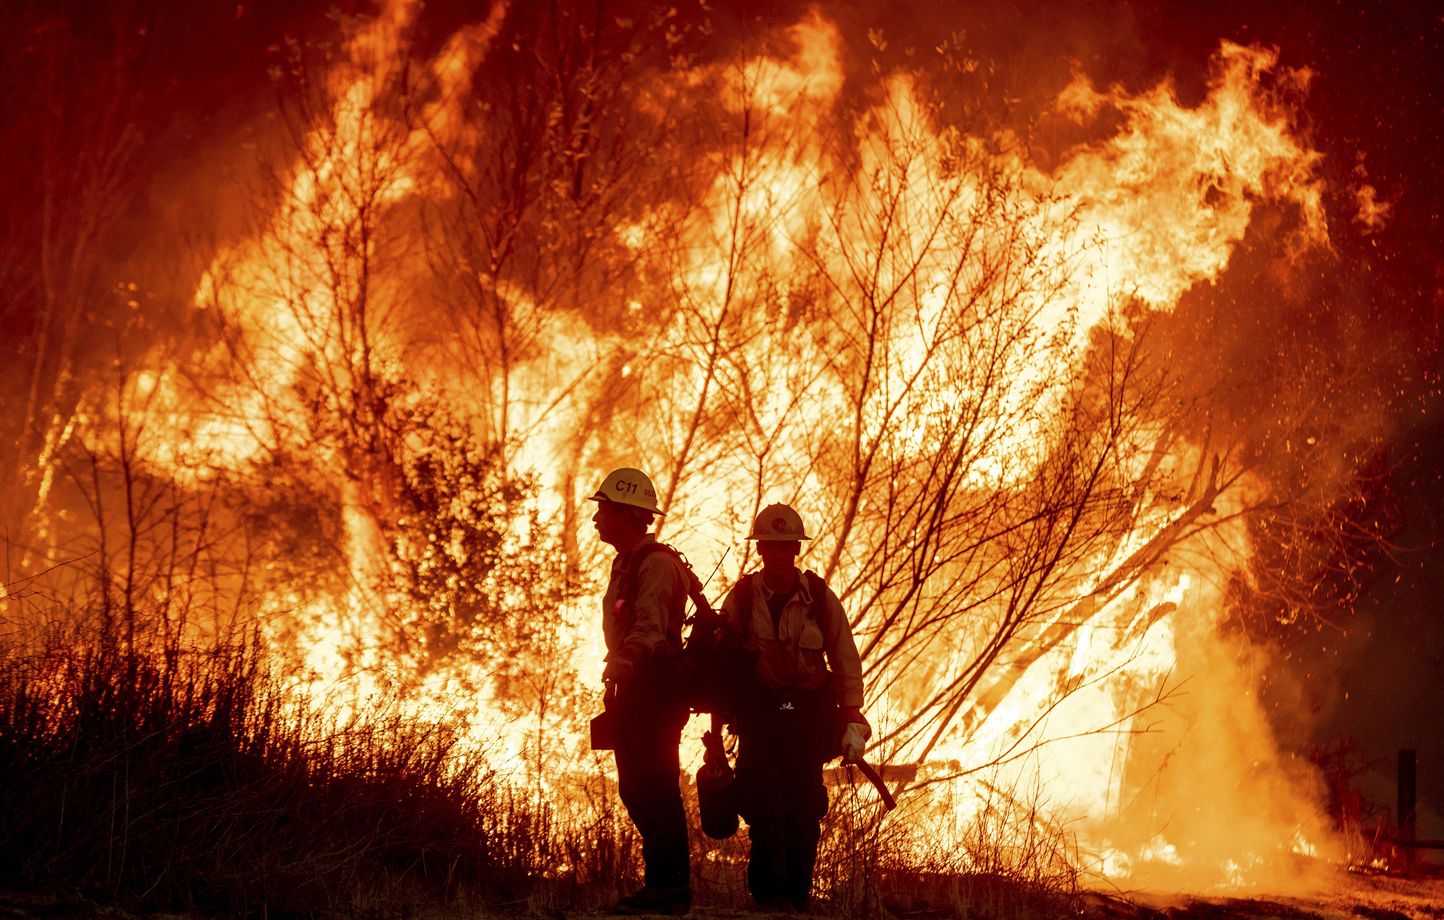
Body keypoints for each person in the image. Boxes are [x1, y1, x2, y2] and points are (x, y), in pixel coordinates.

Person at [720, 503, 870, 913]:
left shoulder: (820, 598)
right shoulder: (743, 598)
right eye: (770, 545)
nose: (777, 553)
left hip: (807, 720)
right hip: (760, 717)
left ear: (796, 549)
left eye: (785, 545)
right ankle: (769, 897)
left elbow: (845, 659)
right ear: (760, 549)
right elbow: (721, 659)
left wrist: (852, 716)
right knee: (761, 803)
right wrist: (723, 715)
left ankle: (798, 897)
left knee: (804, 809)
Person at [588, 467, 692, 915]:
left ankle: (670, 888)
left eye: (604, 510)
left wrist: (627, 658)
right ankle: (663, 885)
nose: (597, 518)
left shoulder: (657, 564)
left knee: (656, 786)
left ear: (629, 515)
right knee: (636, 787)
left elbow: (650, 625)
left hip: (656, 688)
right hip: (633, 688)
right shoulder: (626, 563)